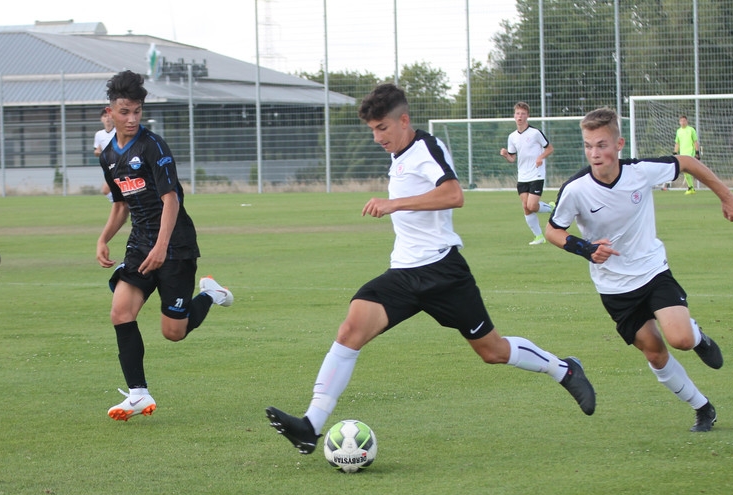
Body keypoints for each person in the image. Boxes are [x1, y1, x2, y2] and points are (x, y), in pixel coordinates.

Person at [266, 84, 596, 455]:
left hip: (443, 271)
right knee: (350, 329)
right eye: (372, 130)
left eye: (382, 128)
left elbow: (454, 194)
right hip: (403, 273)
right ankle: (311, 425)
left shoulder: (426, 148)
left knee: (493, 351)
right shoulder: (399, 154)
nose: (377, 138)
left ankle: (564, 369)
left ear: (403, 121)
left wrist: (394, 204)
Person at [544, 107, 733, 432]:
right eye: (588, 146)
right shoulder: (575, 189)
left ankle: (697, 337)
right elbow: (553, 230)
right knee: (654, 353)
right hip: (614, 287)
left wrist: (727, 196)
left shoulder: (640, 172)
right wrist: (586, 249)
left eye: (602, 145)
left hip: (652, 272)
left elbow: (687, 162)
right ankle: (703, 408)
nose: (595, 153)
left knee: (680, 339)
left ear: (619, 144)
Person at [95, 70, 233, 421]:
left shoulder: (153, 147)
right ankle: (138, 394)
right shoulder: (108, 156)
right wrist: (103, 238)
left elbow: (170, 200)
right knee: (120, 312)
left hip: (176, 246)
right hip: (140, 244)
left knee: (174, 332)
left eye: (137, 111)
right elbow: (121, 204)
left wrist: (162, 247)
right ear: (110, 112)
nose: (131, 119)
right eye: (124, 112)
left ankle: (211, 294)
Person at [499, 101, 555, 245]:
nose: (520, 116)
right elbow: (512, 159)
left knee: (532, 205)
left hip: (536, 174)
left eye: (523, 114)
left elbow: (549, 148)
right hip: (522, 176)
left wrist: (540, 157)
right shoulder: (512, 137)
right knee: (526, 207)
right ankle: (539, 237)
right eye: (517, 113)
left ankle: (551, 208)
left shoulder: (535, 133)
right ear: (514, 116)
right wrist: (506, 155)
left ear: (527, 116)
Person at [673, 115, 701, 194]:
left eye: (684, 121)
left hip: (690, 153)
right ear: (679, 122)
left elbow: (695, 141)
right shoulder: (678, 131)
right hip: (682, 154)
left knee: (688, 170)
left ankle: (691, 187)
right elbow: (677, 143)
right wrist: (675, 153)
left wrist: (697, 152)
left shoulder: (691, 130)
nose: (683, 122)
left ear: (687, 121)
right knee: (686, 171)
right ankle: (691, 188)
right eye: (681, 121)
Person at [93, 108, 116, 197]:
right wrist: (98, 152)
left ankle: (120, 204)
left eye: (109, 116)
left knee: (107, 189)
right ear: (101, 119)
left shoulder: (118, 132)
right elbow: (97, 151)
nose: (107, 118)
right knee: (107, 190)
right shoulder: (99, 134)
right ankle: (120, 204)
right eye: (105, 116)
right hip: (108, 166)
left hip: (119, 164)